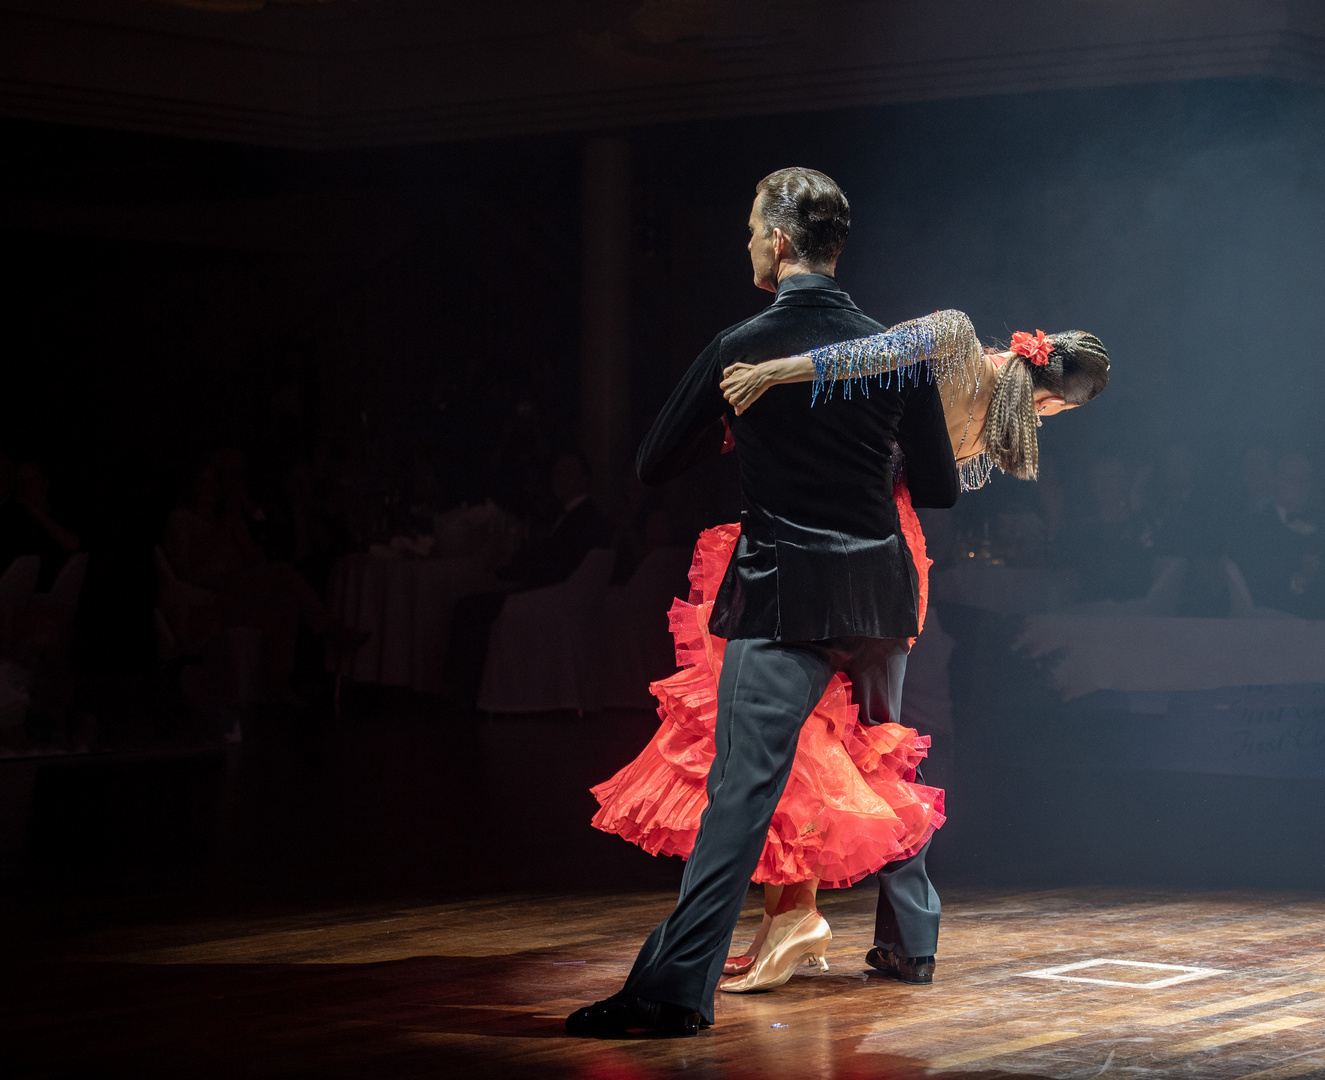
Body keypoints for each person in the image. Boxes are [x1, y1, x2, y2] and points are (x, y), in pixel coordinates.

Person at [591, 310, 1110, 995]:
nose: (1043, 421)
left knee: (805, 737)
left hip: (830, 544)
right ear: (1048, 397)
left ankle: (794, 920)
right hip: (894, 564)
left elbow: (855, 356)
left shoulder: (956, 342)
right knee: (873, 746)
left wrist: (775, 371)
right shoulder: (992, 411)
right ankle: (905, 942)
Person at [565, 167, 960, 1038]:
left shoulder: (743, 344)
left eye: (752, 229)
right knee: (886, 759)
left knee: (741, 794)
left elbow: (652, 464)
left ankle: (671, 993)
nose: (747, 243)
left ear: (779, 242)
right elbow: (935, 485)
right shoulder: (891, 349)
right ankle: (909, 941)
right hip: (882, 596)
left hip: (789, 590)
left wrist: (744, 425)